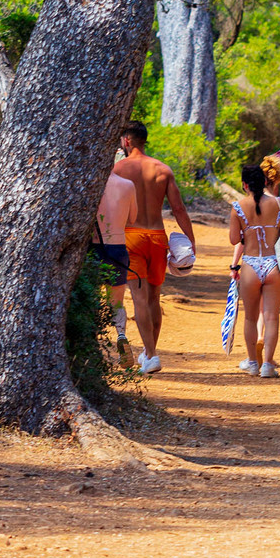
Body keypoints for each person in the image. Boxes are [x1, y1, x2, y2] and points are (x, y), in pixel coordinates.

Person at [113, 120, 196, 375]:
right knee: (153, 298)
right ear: (143, 140)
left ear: (126, 141)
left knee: (138, 297)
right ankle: (150, 354)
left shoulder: (118, 169)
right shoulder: (162, 169)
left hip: (130, 236)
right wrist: (191, 241)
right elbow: (179, 209)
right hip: (157, 237)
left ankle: (151, 354)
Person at [229, 155, 280, 377]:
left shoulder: (238, 207)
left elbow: (235, 239)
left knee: (251, 317)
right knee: (272, 316)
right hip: (274, 264)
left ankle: (252, 362)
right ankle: (268, 365)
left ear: (245, 184)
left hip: (251, 264)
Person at [93, 161, 138, 360]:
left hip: (94, 248)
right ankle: (121, 335)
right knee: (117, 303)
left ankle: (92, 345)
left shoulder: (91, 183)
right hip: (118, 248)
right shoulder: (127, 185)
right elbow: (133, 219)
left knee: (93, 299)